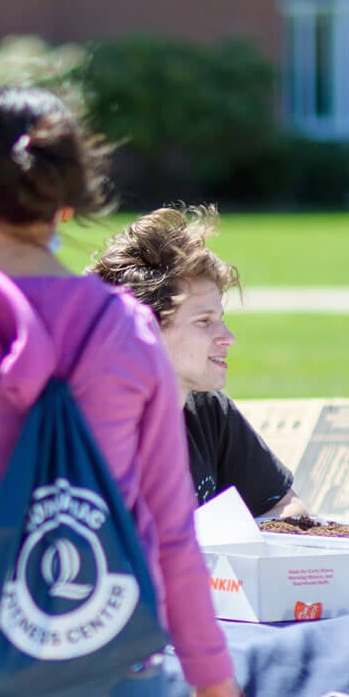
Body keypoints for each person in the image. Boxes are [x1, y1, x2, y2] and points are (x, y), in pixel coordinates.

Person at [0, 87, 241, 697]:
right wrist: (211, 675)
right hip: (107, 645)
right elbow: (171, 526)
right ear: (67, 202)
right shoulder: (129, 331)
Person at [89, 205, 308, 519]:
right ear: (144, 330)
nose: (227, 337)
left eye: (221, 319)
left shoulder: (207, 409)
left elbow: (286, 506)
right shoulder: (83, 427)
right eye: (204, 322)